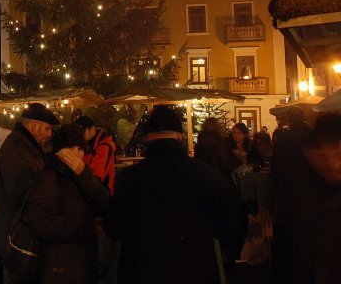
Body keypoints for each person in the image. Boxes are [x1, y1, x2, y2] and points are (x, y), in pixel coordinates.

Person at [105, 105, 247, 284]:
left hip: (142, 271)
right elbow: (230, 225)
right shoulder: (205, 175)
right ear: (179, 136)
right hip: (195, 270)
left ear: (147, 137)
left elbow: (113, 227)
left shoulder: (130, 178)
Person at [25, 124, 110, 283]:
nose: (77, 153)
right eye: (70, 147)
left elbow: (105, 202)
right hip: (59, 267)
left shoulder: (80, 174)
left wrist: (84, 175)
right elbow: (41, 224)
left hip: (81, 262)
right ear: (59, 150)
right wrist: (86, 227)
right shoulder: (49, 176)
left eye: (80, 148)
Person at [0, 102, 59, 284]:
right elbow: (25, 195)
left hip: (18, 233)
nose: (49, 134)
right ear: (34, 126)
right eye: (47, 129)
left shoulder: (23, 146)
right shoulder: (18, 151)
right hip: (18, 236)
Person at [272, 113, 341, 283]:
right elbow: (283, 244)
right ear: (313, 151)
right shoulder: (296, 186)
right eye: (326, 155)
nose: (334, 164)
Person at [73, 115, 117, 193]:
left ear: (92, 129)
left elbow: (97, 174)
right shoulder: (90, 145)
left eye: (82, 132)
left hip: (101, 192)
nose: (80, 135)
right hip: (94, 189)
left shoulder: (104, 146)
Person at [194, 117, 235, 184]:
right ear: (218, 127)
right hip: (220, 179)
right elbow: (225, 164)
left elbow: (197, 163)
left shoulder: (199, 144)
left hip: (204, 179)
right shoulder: (221, 143)